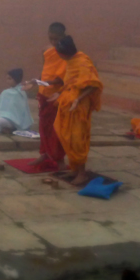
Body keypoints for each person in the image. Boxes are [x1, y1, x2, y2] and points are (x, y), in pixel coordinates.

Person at [52, 36, 103, 185]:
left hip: (78, 107)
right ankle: (74, 169)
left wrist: (78, 100)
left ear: (64, 53)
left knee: (76, 139)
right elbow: (71, 82)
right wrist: (60, 93)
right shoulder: (71, 61)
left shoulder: (82, 62)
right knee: (65, 136)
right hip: (67, 104)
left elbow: (94, 85)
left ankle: (82, 173)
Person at [22, 23, 68, 169]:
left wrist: (42, 82)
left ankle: (59, 159)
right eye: (51, 38)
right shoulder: (46, 50)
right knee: (43, 126)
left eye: (57, 39)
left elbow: (63, 78)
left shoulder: (67, 52)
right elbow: (44, 71)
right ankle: (44, 153)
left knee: (56, 128)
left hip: (57, 94)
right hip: (44, 93)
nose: (54, 42)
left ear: (63, 36)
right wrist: (36, 82)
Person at [0, 69, 33, 135]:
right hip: (4, 117)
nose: (7, 81)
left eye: (9, 79)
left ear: (16, 79)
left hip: (16, 121)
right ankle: (4, 129)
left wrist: (11, 117)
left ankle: (9, 128)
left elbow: (20, 110)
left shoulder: (21, 92)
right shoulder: (5, 92)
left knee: (0, 121)